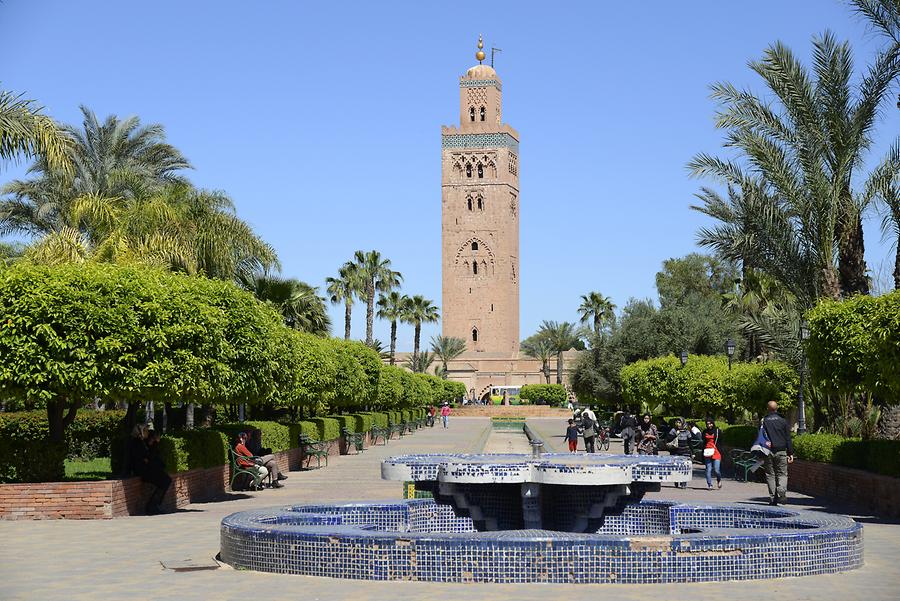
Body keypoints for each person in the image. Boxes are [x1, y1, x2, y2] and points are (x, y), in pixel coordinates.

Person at [127, 423, 172, 514]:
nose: (148, 432)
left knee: (166, 480)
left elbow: (150, 456)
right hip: (142, 470)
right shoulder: (136, 443)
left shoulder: (143, 442)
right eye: (146, 430)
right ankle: (152, 506)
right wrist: (154, 444)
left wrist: (153, 444)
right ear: (140, 432)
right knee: (165, 481)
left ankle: (154, 505)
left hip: (147, 469)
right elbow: (147, 458)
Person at [762, 400, 794, 505]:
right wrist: (790, 453)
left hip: (768, 451)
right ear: (776, 408)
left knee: (770, 475)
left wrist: (760, 453)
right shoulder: (783, 421)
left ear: (768, 408)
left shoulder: (764, 421)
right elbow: (788, 438)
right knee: (782, 474)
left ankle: (773, 499)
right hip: (781, 451)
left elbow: (760, 437)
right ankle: (781, 492)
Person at [666, 418, 693, 488]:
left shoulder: (687, 432)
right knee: (676, 467)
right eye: (677, 422)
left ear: (683, 423)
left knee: (684, 467)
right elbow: (668, 439)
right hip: (675, 451)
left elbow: (690, 443)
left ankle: (683, 483)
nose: (678, 424)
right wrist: (675, 434)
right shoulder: (673, 430)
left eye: (679, 422)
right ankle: (676, 480)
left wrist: (692, 453)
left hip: (685, 452)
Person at [702, 418, 723, 490]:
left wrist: (720, 450)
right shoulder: (704, 432)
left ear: (713, 423)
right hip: (707, 451)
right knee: (708, 469)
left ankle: (719, 479)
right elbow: (703, 442)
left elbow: (721, 441)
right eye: (707, 424)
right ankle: (709, 484)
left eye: (710, 423)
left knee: (717, 470)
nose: (709, 425)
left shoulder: (717, 431)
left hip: (716, 451)